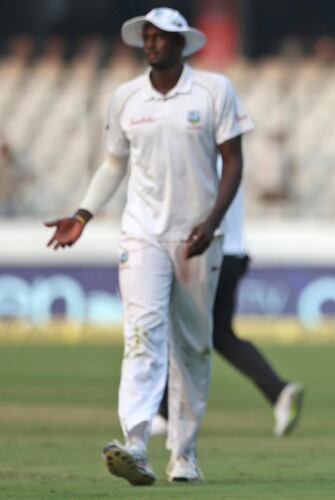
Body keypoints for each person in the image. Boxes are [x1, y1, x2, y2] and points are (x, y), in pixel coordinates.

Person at [44, 7, 254, 485]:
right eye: (148, 36)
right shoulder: (125, 97)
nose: (153, 43)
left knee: (193, 347)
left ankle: (183, 454)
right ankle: (135, 442)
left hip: (200, 237)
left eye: (162, 36)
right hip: (141, 234)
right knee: (142, 336)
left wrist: (212, 222)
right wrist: (82, 214)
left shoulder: (214, 90)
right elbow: (114, 164)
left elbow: (234, 163)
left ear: (183, 44)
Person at [151, 161, 304, 438]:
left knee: (179, 327)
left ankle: (166, 414)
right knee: (220, 335)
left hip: (208, 252)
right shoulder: (226, 155)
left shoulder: (202, 155)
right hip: (231, 252)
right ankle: (278, 391)